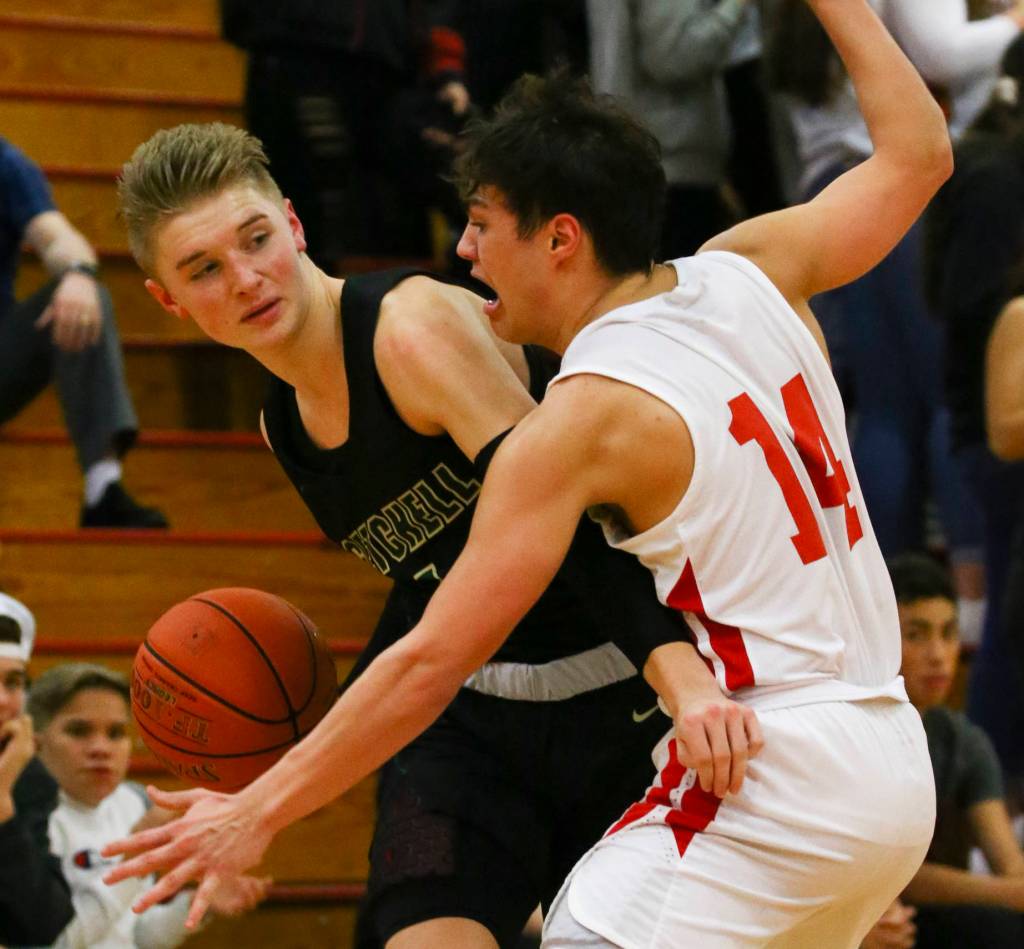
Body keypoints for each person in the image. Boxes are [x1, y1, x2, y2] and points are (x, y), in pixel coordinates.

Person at [103, 1, 951, 945]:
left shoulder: (578, 413)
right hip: (880, 739)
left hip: (744, 742)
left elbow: (435, 654)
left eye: (478, 225)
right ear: (169, 298)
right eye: (206, 267)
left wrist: (260, 807)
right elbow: (919, 155)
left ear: (560, 238)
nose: (464, 254)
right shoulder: (748, 266)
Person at [105, 118, 750, 947]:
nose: (244, 278)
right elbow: (432, 586)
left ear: (294, 226)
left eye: (255, 239)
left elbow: (581, 524)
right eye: (203, 268)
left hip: (619, 694)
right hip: (474, 723)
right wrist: (254, 804)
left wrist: (682, 678)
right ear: (169, 300)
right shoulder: (283, 424)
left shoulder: (409, 330)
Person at [28, 662, 269, 948]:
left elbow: (137, 936)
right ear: (35, 743)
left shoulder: (134, 803)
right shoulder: (18, 823)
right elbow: (55, 943)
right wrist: (134, 861)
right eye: (80, 731)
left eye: (116, 733)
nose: (101, 748)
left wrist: (194, 906)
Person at [0, 137, 167, 529]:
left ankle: (102, 489)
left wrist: (78, 272)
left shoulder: (6, 166)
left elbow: (57, 237)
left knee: (83, 294)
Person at [878, 554, 1024, 947]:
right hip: (864, 912)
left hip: (930, 920)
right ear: (880, 637)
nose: (939, 654)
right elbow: (902, 873)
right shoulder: (860, 732)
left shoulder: (961, 739)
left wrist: (1016, 889)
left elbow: (1008, 861)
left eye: (949, 632)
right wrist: (1011, 894)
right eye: (918, 634)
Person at [0, 592, 75, 945]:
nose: (2, 700)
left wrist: (1, 806)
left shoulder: (28, 777)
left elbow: (42, 922)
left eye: (12, 683)